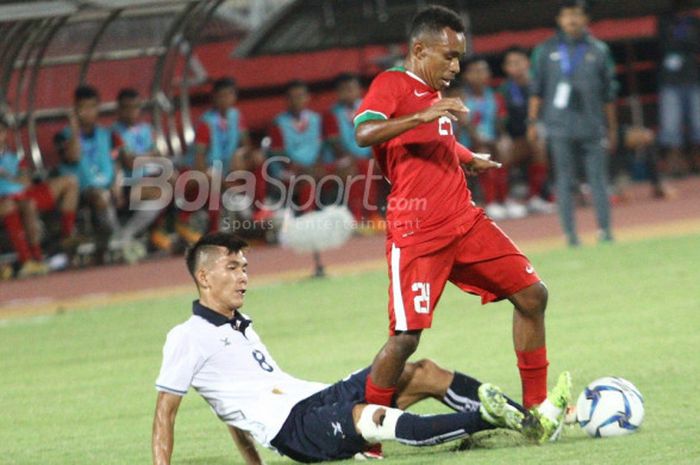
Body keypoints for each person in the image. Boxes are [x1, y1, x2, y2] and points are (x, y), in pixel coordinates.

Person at [353, 4, 571, 451]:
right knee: (405, 339)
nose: (456, 67)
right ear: (419, 49)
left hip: (465, 223)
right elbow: (364, 133)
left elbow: (440, 143)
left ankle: (537, 409)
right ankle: (367, 438)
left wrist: (471, 160)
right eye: (448, 56)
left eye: (459, 58)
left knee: (533, 295)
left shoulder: (437, 96)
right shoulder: (391, 84)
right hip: (418, 234)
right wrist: (423, 115)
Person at [152, 232, 547, 465]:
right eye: (233, 268)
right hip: (295, 430)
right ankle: (491, 419)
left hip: (315, 397)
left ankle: (529, 418)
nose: (243, 278)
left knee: (420, 370)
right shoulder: (187, 336)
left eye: (244, 268)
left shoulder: (241, 326)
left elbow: (233, 402)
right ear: (204, 277)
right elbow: (165, 414)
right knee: (375, 417)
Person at [528, 0, 618, 246]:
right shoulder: (545, 50)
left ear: (586, 19)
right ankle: (570, 235)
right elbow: (536, 90)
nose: (572, 20)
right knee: (564, 181)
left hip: (592, 124)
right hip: (558, 126)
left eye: (577, 15)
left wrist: (612, 127)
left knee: (598, 180)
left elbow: (609, 93)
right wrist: (532, 121)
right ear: (559, 19)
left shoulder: (599, 50)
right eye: (567, 16)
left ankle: (605, 232)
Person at [177, 77, 264, 244]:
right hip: (198, 172)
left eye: (228, 95)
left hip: (225, 170)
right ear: (214, 98)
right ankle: (211, 229)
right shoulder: (206, 123)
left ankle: (259, 210)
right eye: (220, 96)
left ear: (234, 97)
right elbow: (199, 162)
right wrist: (224, 181)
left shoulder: (236, 116)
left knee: (258, 159)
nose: (224, 100)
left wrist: (243, 153)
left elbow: (246, 145)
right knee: (213, 178)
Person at [0, 117, 79, 277]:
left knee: (70, 182)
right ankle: (29, 260)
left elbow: (25, 181)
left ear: (4, 134)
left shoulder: (13, 158)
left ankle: (66, 239)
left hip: (22, 195)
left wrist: (5, 174)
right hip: (5, 200)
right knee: (13, 205)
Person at [56, 85, 122, 258]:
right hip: (82, 191)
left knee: (157, 190)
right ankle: (116, 244)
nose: (88, 112)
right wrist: (74, 129)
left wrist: (118, 184)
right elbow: (74, 156)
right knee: (100, 198)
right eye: (83, 107)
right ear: (76, 109)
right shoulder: (63, 136)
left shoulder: (106, 134)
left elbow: (116, 162)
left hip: (107, 186)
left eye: (92, 107)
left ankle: (113, 244)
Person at [460, 57, 527, 220]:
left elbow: (500, 125)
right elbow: (467, 127)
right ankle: (490, 201)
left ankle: (504, 198)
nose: (480, 75)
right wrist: (489, 142)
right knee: (483, 151)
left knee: (504, 148)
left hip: (491, 142)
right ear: (466, 76)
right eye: (475, 71)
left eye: (483, 71)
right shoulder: (460, 97)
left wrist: (503, 139)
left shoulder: (495, 97)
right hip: (466, 144)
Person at [111, 88, 171, 251]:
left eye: (135, 107)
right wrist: (149, 155)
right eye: (127, 107)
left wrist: (143, 157)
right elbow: (130, 163)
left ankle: (159, 229)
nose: (131, 112)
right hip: (127, 185)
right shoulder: (115, 132)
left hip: (149, 179)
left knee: (176, 179)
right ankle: (127, 234)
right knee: (161, 191)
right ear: (119, 109)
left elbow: (159, 155)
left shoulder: (146, 129)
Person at [498, 47, 554, 214]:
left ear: (527, 63)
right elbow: (500, 120)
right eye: (510, 64)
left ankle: (535, 198)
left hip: (542, 137)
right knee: (504, 148)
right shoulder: (504, 90)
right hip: (515, 141)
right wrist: (504, 136)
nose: (515, 67)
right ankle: (504, 200)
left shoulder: (540, 87)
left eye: (518, 62)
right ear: (505, 68)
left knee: (539, 143)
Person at [324, 73, 382, 224]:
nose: (348, 93)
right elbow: (335, 143)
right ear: (338, 93)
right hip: (342, 158)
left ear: (358, 90)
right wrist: (356, 158)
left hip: (368, 155)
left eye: (351, 88)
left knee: (367, 165)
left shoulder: (369, 108)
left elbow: (377, 133)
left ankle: (371, 215)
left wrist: (373, 155)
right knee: (356, 168)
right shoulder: (331, 114)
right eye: (344, 89)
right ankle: (359, 216)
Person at [657, 0, 700, 175]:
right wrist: (685, 43)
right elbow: (664, 45)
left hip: (692, 78)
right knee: (671, 124)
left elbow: (695, 44)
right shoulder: (665, 21)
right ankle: (676, 164)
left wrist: (682, 43)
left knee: (698, 122)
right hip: (670, 81)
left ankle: (696, 161)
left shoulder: (694, 22)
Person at [269, 80, 324, 213]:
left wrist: (318, 165)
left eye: (300, 96)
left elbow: (321, 147)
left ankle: (359, 217)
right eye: (292, 97)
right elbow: (278, 154)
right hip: (288, 170)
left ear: (307, 97)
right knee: (307, 177)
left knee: (350, 170)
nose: (296, 101)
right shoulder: (278, 123)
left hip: (312, 165)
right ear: (286, 100)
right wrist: (301, 168)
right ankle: (308, 218)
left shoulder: (316, 119)